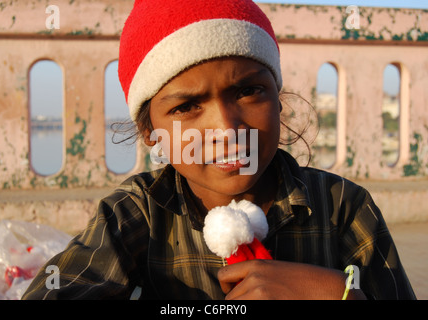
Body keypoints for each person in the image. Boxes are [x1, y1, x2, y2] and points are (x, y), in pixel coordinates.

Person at [22, 0, 416, 300]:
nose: (227, 130)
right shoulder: (133, 215)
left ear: (278, 98)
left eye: (247, 91)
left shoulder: (342, 208)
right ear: (150, 131)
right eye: (186, 107)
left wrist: (337, 293)